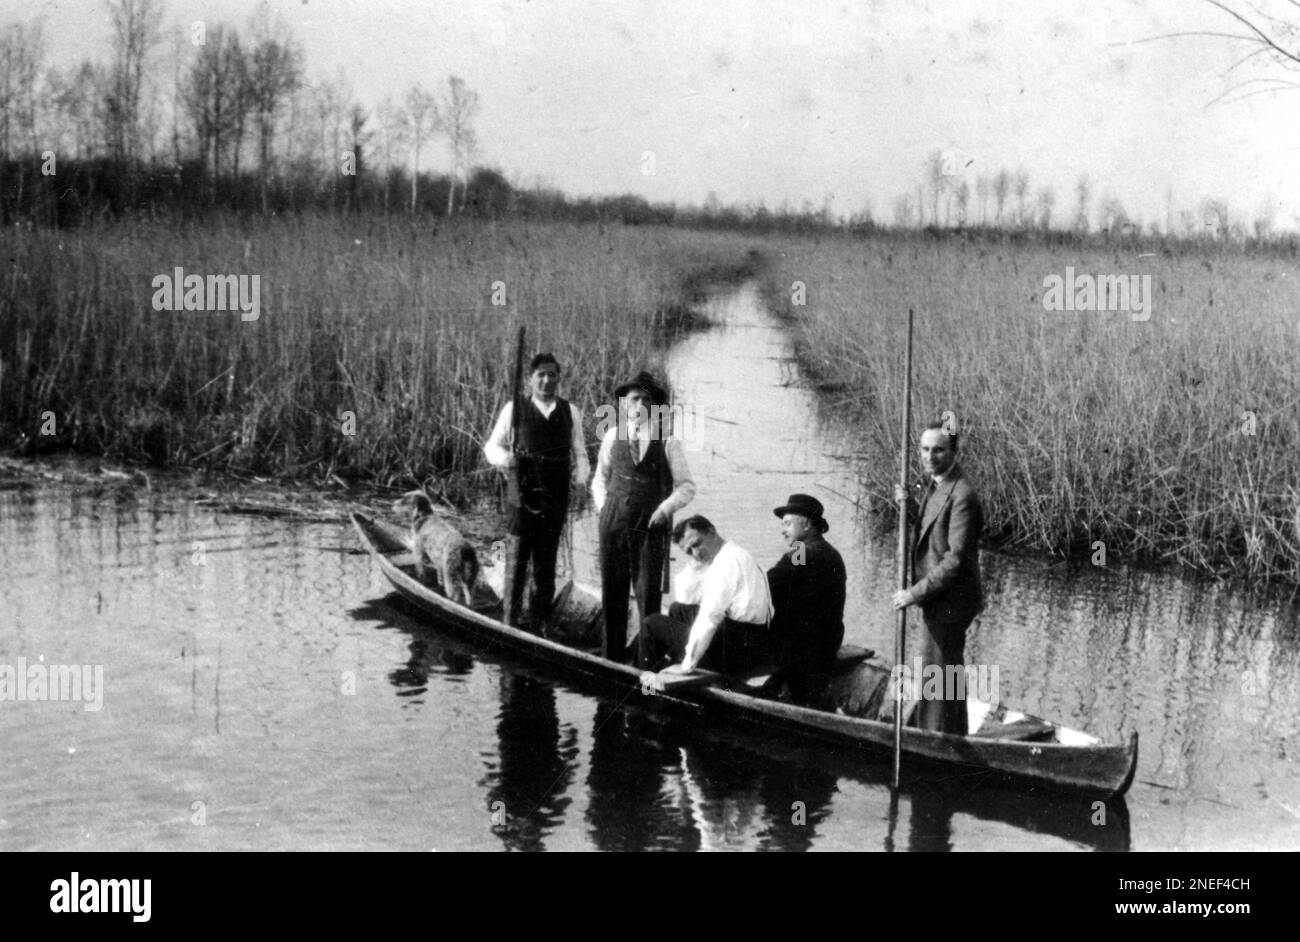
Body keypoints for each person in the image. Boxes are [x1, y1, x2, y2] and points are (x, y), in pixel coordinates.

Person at [592, 370, 695, 662]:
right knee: (612, 593)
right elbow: (599, 480)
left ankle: (643, 661)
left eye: (646, 400)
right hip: (612, 525)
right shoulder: (612, 435)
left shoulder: (668, 441)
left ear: (655, 407)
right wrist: (604, 510)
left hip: (650, 529)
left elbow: (687, 487)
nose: (639, 405)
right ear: (624, 404)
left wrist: (664, 509)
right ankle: (610, 658)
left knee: (647, 595)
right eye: (634, 399)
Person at [891, 422, 984, 734]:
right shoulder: (936, 485)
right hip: (940, 597)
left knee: (937, 671)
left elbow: (954, 560)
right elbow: (930, 528)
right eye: (925, 449)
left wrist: (913, 594)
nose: (930, 456)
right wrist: (907, 504)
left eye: (938, 450)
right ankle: (953, 733)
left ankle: (934, 739)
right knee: (945, 671)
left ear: (954, 452)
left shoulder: (963, 496)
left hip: (951, 599)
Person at [484, 352, 590, 628]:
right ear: (531, 379)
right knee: (517, 562)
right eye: (540, 374)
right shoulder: (514, 409)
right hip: (521, 496)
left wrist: (580, 483)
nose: (546, 380)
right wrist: (505, 459)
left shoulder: (570, 412)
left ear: (558, 378)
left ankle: (538, 624)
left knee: (545, 567)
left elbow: (580, 454)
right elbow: (491, 447)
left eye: (552, 374)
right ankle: (509, 621)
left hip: (555, 498)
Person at [641, 515, 775, 673]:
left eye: (696, 544)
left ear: (712, 531)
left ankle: (644, 682)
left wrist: (687, 665)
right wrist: (695, 565)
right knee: (678, 608)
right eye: (689, 552)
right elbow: (684, 597)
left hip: (739, 650)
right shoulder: (733, 552)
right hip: (751, 638)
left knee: (650, 623)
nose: (696, 553)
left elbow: (710, 617)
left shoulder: (725, 563)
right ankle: (670, 662)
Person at [766, 494, 846, 704]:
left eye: (788, 524)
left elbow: (770, 584)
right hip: (826, 641)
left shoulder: (801, 551)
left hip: (802, 648)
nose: (783, 530)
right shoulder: (831, 552)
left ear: (808, 525)